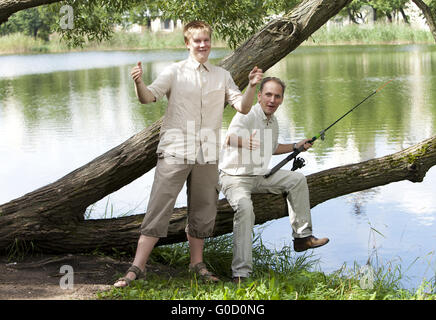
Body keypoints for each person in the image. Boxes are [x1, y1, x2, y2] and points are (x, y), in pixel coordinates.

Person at [114, 21, 263, 287]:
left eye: (206, 40)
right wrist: (139, 83)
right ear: (187, 43)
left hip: (207, 150)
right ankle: (137, 267)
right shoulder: (174, 72)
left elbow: (242, 107)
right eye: (197, 41)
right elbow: (148, 98)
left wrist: (252, 85)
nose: (203, 45)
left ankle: (197, 264)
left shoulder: (222, 75)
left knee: (203, 209)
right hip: (175, 148)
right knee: (159, 207)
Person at [218, 77, 329, 283]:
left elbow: (273, 147)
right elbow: (228, 138)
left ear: (281, 100)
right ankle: (241, 274)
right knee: (244, 208)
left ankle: (302, 238)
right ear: (259, 96)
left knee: (296, 179)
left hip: (259, 175)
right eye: (268, 94)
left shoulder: (273, 121)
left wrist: (296, 145)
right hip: (234, 176)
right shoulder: (248, 114)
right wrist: (245, 142)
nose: (272, 99)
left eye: (277, 96)